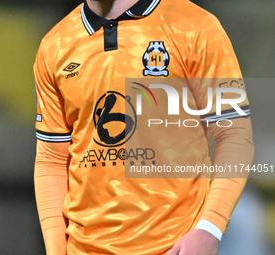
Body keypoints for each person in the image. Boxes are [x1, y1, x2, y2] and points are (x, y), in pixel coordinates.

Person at [33, 0, 254, 254]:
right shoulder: (54, 45)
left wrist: (210, 229)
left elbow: (235, 134)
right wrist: (55, 250)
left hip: (174, 247)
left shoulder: (196, 26)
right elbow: (51, 159)